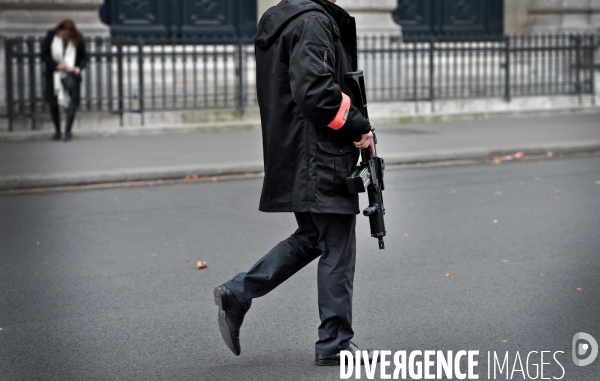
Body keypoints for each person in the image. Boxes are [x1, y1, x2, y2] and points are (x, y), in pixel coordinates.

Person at [214, 0, 379, 366]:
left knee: (312, 237)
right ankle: (335, 344)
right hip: (320, 156)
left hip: (298, 152)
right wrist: (358, 125)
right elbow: (316, 94)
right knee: (337, 245)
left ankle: (238, 293)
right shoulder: (314, 23)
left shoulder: (280, 20)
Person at [41, 20, 88, 141]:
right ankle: (57, 131)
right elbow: (44, 55)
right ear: (59, 31)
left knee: (72, 103)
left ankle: (68, 131)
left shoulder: (78, 39)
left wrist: (79, 68)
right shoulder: (52, 37)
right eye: (63, 33)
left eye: (68, 34)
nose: (65, 36)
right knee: (54, 103)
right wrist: (56, 65)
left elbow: (85, 57)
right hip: (54, 76)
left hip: (72, 76)